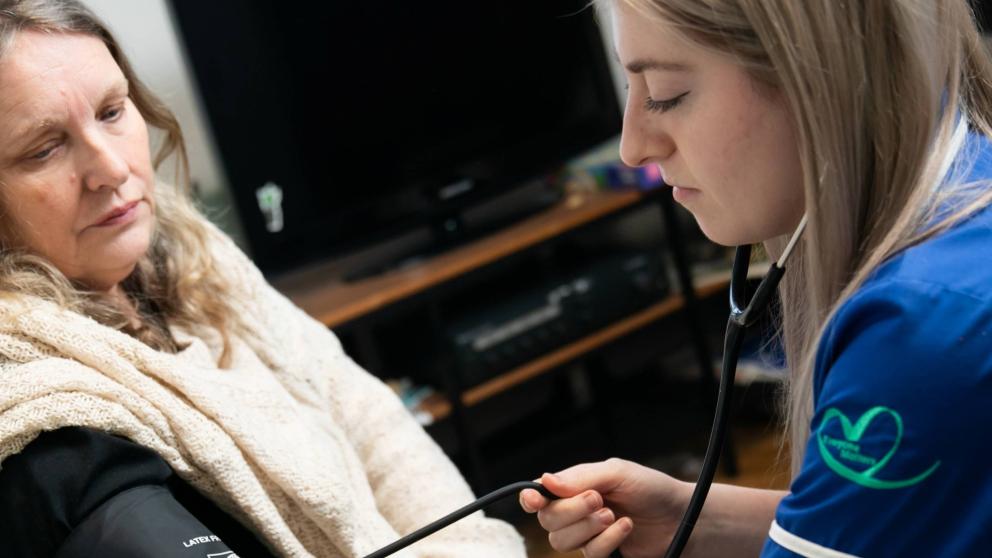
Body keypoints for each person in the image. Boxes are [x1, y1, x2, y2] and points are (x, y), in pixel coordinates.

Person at [0, 1, 526, 557]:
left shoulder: (195, 249)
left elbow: (364, 414)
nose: (111, 168)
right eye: (45, 149)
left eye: (112, 110)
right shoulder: (47, 414)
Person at [520, 1, 992, 557]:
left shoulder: (918, 330)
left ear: (818, 76)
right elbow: (904, 524)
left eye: (666, 92)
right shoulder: (965, 197)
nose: (635, 146)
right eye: (631, 91)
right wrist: (690, 517)